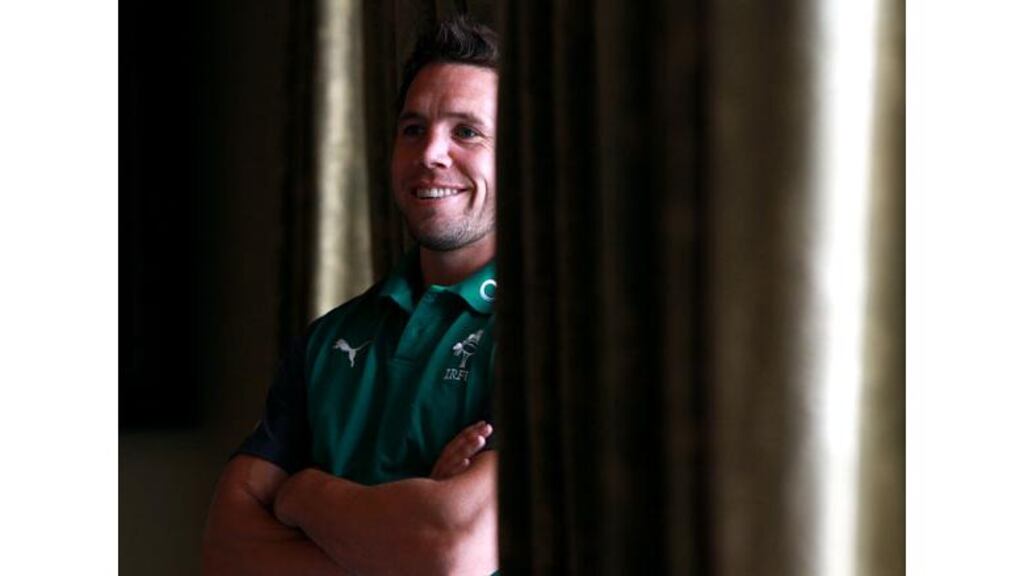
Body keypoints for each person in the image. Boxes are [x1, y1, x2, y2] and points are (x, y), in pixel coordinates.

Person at [202, 15, 501, 576]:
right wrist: (396, 539)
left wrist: (306, 495)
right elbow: (225, 549)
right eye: (413, 128)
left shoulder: (544, 338)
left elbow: (452, 549)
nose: (430, 152)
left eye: (466, 131)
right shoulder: (327, 340)